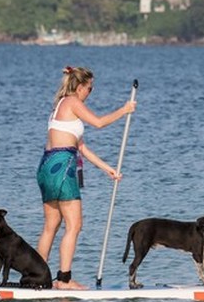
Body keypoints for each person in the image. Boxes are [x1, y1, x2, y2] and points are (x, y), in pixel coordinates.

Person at [36, 65, 136, 289]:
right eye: (90, 89)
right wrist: (124, 109)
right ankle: (63, 280)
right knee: (75, 225)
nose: (91, 93)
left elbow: (80, 146)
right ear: (80, 87)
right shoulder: (72, 102)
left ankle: (36, 276)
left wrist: (106, 168)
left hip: (47, 165)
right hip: (62, 167)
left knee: (51, 225)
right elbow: (99, 123)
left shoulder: (59, 106)